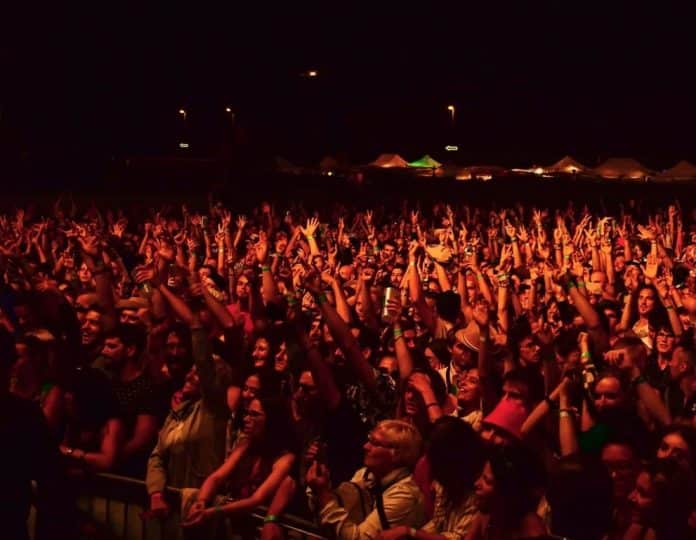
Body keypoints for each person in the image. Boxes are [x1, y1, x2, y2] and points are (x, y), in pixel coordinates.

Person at [182, 395, 296, 528]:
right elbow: (216, 477)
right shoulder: (245, 444)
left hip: (259, 525)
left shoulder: (285, 458)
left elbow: (256, 499)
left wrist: (213, 512)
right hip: (237, 521)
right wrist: (201, 501)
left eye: (254, 415)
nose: (246, 419)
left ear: (271, 421)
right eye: (247, 413)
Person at [307, 419, 426, 540]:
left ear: (397, 454)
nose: (365, 446)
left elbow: (358, 538)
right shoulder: (366, 475)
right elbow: (327, 513)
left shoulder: (404, 495)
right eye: (369, 439)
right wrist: (319, 481)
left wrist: (323, 494)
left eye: (375, 443)